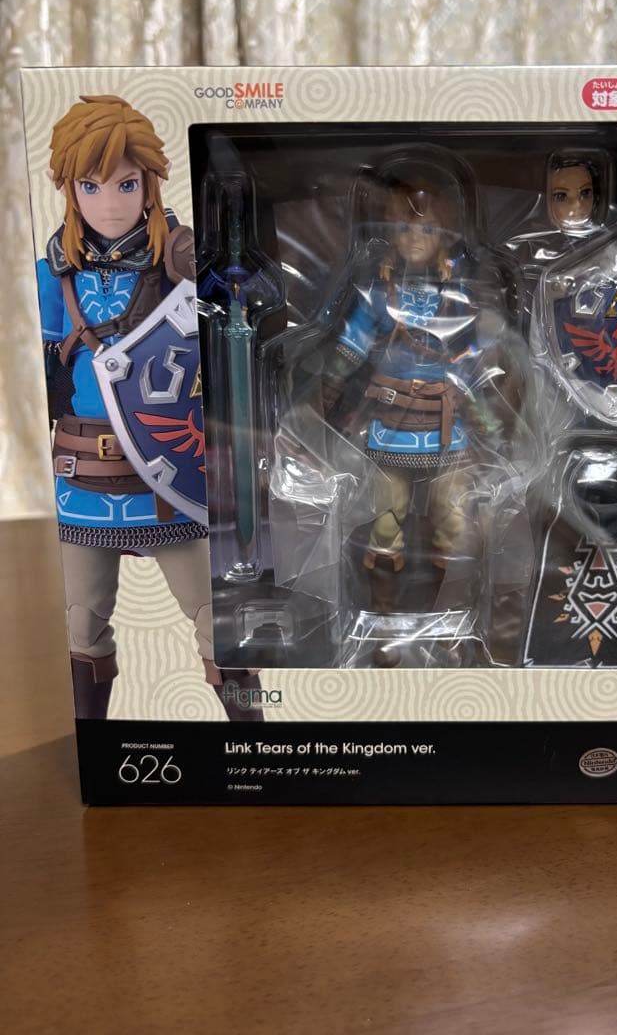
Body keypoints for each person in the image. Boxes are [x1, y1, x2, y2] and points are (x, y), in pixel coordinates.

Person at [37, 94, 261, 720]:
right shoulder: (54, 275)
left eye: (126, 183)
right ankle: (94, 750)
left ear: (149, 184)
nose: (110, 203)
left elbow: (245, 312)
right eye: (91, 185)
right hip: (82, 475)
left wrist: (226, 270)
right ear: (69, 189)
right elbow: (40, 377)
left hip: (170, 474)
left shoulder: (180, 262)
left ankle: (254, 745)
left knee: (220, 625)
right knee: (80, 627)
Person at [316, 161, 517, 661]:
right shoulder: (378, 295)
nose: (414, 237)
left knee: (455, 526)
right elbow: (351, 343)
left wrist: (493, 421)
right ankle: (383, 622)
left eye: (426, 228)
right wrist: (329, 386)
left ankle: (452, 618)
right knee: (385, 528)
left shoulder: (459, 295)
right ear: (389, 231)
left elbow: (476, 361)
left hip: (449, 431)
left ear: (444, 234)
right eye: (404, 226)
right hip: (391, 429)